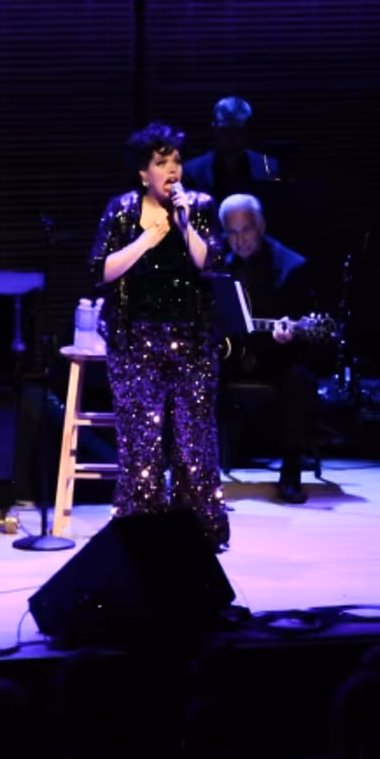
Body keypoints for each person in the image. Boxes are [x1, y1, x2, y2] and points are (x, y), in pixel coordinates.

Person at [89, 123, 230, 551]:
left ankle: (198, 530)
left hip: (192, 340)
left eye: (176, 162)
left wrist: (184, 225)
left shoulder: (201, 206)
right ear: (143, 173)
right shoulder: (122, 210)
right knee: (142, 443)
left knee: (194, 440)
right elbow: (100, 271)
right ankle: (141, 529)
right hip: (134, 341)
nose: (172, 170)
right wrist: (146, 239)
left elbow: (211, 264)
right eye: (161, 163)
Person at [218, 193, 320, 504]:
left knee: (299, 379)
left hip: (275, 355)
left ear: (260, 226)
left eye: (246, 230)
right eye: (232, 233)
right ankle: (200, 473)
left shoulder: (292, 266)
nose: (240, 240)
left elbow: (305, 321)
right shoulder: (217, 263)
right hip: (230, 356)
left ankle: (291, 473)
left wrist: (292, 331)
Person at [183, 97, 281, 207]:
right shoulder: (192, 172)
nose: (231, 136)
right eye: (225, 129)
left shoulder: (268, 168)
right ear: (213, 128)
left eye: (238, 130)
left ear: (248, 131)